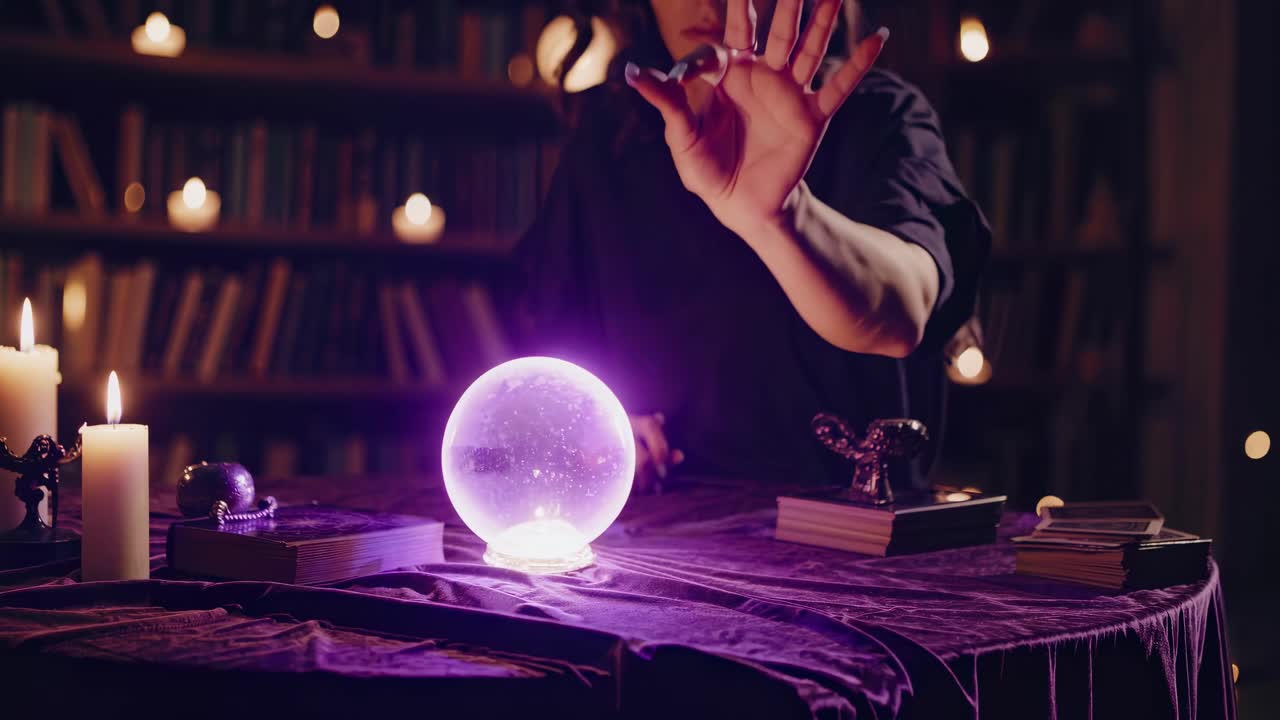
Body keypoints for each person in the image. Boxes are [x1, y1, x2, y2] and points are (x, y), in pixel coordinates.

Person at [517, 0, 989, 491]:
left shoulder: (879, 113)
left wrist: (782, 216)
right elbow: (554, 349)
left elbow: (903, 314)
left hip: (846, 531)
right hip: (657, 531)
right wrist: (598, 428)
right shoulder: (606, 133)